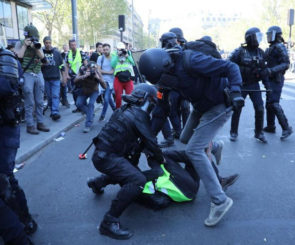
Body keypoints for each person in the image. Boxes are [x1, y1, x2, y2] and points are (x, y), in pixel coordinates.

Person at [139, 47, 243, 227]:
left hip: (219, 104)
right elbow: (162, 109)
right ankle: (215, 146)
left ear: (166, 65)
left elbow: (231, 67)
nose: (162, 83)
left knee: (194, 150)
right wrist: (148, 136)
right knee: (186, 139)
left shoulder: (191, 60)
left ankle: (220, 201)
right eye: (158, 81)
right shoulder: (164, 77)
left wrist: (235, 91)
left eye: (161, 79)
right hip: (201, 106)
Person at [89, 83, 164, 239]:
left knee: (129, 170)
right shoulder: (139, 116)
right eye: (151, 102)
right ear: (144, 99)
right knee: (138, 179)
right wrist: (161, 159)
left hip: (103, 154)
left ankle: (97, 183)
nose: (151, 107)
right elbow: (152, 143)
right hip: (108, 157)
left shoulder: (123, 109)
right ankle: (109, 222)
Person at [88, 142, 239, 210]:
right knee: (171, 155)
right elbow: (120, 176)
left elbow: (119, 175)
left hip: (186, 188)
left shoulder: (135, 178)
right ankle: (216, 171)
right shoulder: (138, 178)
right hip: (183, 187)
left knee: (191, 157)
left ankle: (216, 173)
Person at [0, 42, 36, 245]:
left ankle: (24, 220)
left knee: (5, 179)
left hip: (5, 129)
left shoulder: (5, 57)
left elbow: (5, 87)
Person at [228, 27, 268, 143]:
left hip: (254, 84)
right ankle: (233, 132)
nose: (259, 39)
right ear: (250, 38)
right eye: (257, 36)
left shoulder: (261, 52)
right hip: (242, 85)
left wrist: (267, 86)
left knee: (260, 108)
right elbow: (228, 66)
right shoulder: (239, 51)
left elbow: (264, 71)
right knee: (237, 108)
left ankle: (259, 132)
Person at [14, 24, 50, 135]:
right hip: (27, 74)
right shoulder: (19, 43)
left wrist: (37, 48)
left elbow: (44, 60)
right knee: (29, 101)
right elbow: (18, 56)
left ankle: (40, 122)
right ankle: (30, 125)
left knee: (39, 101)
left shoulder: (37, 43)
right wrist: (25, 45)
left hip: (38, 73)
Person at [263, 26, 293, 140]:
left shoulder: (280, 47)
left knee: (274, 102)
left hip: (276, 78)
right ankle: (271, 126)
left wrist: (271, 70)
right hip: (270, 79)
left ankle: (286, 128)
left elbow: (286, 64)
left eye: (269, 34)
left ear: (276, 34)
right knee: (269, 103)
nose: (268, 37)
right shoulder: (271, 47)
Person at [74, 61, 106, 133]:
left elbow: (104, 86)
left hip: (94, 91)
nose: (91, 70)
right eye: (90, 68)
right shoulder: (82, 70)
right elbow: (75, 80)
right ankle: (91, 114)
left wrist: (98, 78)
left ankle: (88, 125)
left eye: (93, 68)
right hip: (84, 91)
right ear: (87, 67)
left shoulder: (97, 72)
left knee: (91, 104)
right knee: (78, 104)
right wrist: (84, 76)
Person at [41, 36, 66, 121]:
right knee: (49, 97)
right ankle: (52, 109)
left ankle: (55, 112)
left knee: (55, 95)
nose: (48, 44)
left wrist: (64, 78)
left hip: (55, 78)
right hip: (46, 78)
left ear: (51, 43)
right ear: (44, 43)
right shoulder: (41, 52)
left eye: (49, 42)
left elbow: (61, 66)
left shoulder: (56, 52)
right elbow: (38, 65)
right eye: (46, 43)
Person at [65, 39, 87, 112]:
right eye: (72, 45)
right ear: (69, 46)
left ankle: (84, 107)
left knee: (82, 91)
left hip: (81, 76)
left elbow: (85, 63)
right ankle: (78, 107)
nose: (73, 46)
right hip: (72, 76)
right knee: (74, 92)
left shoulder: (81, 52)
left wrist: (86, 73)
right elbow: (67, 65)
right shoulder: (68, 54)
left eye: (74, 45)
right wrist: (67, 74)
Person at [97, 43, 116, 120]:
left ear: (110, 49)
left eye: (106, 49)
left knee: (106, 98)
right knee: (108, 98)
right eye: (104, 49)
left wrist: (102, 71)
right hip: (102, 81)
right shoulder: (100, 58)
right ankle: (115, 109)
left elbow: (113, 72)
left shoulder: (114, 58)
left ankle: (102, 115)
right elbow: (98, 70)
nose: (105, 51)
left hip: (111, 82)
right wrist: (106, 72)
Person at [60, 44, 70, 108]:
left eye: (66, 47)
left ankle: (65, 100)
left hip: (68, 72)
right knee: (63, 87)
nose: (65, 48)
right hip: (61, 73)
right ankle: (63, 99)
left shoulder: (70, 54)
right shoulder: (61, 55)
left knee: (65, 86)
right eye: (64, 47)